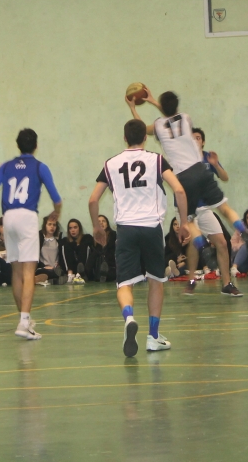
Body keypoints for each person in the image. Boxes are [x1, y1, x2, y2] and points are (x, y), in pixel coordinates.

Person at [129, 89, 248, 297]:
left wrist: (137, 106)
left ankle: (226, 283)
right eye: (195, 137)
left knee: (219, 242)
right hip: (191, 192)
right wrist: (154, 101)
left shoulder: (207, 157)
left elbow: (153, 125)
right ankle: (192, 279)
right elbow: (171, 116)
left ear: (202, 141)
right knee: (196, 236)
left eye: (199, 138)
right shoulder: (185, 121)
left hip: (197, 198)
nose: (196, 139)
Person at [90, 119, 188, 357]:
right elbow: (179, 189)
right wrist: (184, 223)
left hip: (126, 229)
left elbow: (93, 199)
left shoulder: (111, 164)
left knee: (124, 283)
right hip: (152, 227)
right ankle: (153, 337)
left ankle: (129, 318)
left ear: (125, 138)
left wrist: (97, 227)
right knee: (156, 280)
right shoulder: (157, 160)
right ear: (145, 137)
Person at [0, 129, 62, 341]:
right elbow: (57, 199)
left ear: (18, 145)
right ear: (36, 146)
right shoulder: (40, 167)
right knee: (29, 271)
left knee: (16, 270)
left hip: (8, 218)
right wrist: (56, 212)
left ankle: (24, 319)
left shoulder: (6, 166)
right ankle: (24, 322)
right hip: (27, 216)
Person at [37, 213, 67, 286]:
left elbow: (62, 256)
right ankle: (53, 279)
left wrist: (59, 265)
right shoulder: (40, 239)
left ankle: (51, 280)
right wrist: (44, 266)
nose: (52, 227)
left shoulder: (58, 240)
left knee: (59, 272)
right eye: (49, 224)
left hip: (56, 268)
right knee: (44, 272)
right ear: (45, 225)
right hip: (43, 268)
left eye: (54, 225)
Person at [61, 218, 93, 284]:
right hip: (72, 267)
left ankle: (81, 274)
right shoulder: (65, 240)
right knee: (65, 246)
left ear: (79, 228)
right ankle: (70, 275)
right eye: (70, 228)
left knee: (85, 246)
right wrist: (74, 244)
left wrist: (78, 245)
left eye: (75, 227)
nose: (73, 230)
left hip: (85, 268)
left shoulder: (87, 238)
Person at [92, 215, 117, 282]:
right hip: (98, 264)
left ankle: (105, 274)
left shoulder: (113, 235)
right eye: (99, 222)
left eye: (103, 221)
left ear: (107, 224)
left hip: (111, 264)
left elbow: (111, 252)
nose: (101, 223)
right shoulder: (94, 237)